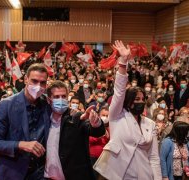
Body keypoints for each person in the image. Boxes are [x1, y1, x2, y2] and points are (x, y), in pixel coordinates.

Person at [93, 40, 162, 180]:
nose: (141, 102)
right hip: (118, 174)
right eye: (137, 99)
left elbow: (154, 157)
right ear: (128, 101)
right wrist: (123, 62)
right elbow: (119, 91)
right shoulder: (117, 115)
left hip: (144, 175)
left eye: (142, 99)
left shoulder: (150, 123)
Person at [0, 63, 50, 180]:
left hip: (39, 173)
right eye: (34, 81)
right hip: (11, 172)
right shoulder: (5, 105)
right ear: (26, 79)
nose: (38, 86)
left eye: (43, 83)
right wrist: (21, 145)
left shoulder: (48, 105)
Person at [44, 81, 105, 180]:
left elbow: (97, 132)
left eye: (63, 96)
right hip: (47, 177)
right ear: (49, 99)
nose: (60, 100)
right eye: (56, 97)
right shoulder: (44, 119)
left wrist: (96, 122)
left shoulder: (76, 116)